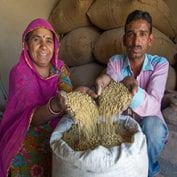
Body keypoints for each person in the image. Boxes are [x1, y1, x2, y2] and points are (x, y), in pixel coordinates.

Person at [95, 10, 169, 177]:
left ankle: (148, 169)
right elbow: (110, 82)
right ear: (124, 39)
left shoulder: (160, 64)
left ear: (150, 40)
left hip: (149, 126)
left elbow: (154, 105)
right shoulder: (115, 61)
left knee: (154, 128)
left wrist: (131, 88)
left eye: (142, 34)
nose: (136, 41)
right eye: (131, 34)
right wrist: (104, 81)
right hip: (123, 124)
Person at [0, 18, 74, 177]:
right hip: (26, 131)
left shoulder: (59, 68)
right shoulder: (19, 74)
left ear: (55, 46)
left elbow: (68, 92)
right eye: (36, 39)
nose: (43, 46)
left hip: (58, 126)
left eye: (49, 40)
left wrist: (80, 94)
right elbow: (30, 118)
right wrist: (55, 105)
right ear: (26, 45)